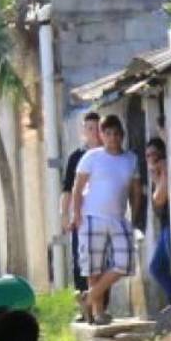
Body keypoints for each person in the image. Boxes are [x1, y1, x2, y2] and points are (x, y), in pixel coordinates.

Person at [69, 115, 142, 326]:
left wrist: (134, 217)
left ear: (122, 135)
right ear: (101, 135)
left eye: (116, 134)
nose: (112, 138)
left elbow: (136, 191)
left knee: (125, 263)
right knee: (94, 267)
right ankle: (98, 312)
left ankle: (88, 297)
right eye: (108, 133)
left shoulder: (130, 159)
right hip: (92, 217)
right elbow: (77, 187)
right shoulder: (92, 157)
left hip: (119, 218)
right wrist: (76, 214)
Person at [60, 112, 103, 299]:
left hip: (103, 216)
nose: (94, 133)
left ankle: (100, 303)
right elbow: (67, 190)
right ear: (83, 131)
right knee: (80, 261)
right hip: (80, 216)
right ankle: (83, 303)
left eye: (97, 128)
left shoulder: (109, 155)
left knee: (103, 262)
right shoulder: (75, 158)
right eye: (90, 128)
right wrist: (64, 215)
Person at [146, 137, 171, 305]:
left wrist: (160, 176)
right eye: (148, 155)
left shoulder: (164, 169)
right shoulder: (155, 174)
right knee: (156, 268)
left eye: (154, 155)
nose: (151, 159)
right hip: (164, 225)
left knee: (163, 266)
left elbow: (159, 199)